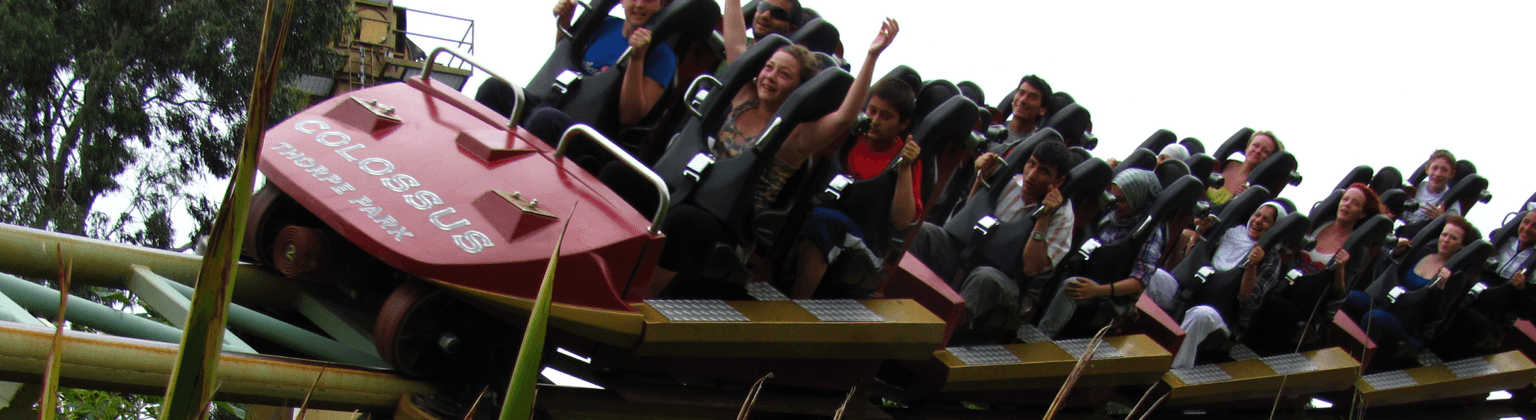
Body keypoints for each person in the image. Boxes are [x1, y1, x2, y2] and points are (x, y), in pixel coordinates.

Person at [650, 18, 900, 295]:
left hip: (729, 225)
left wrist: (872, 56)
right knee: (626, 177)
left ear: (799, 90)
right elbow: (734, 44)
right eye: (768, 67)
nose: (770, 76)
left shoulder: (794, 138)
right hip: (689, 192)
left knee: (681, 220)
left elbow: (844, 118)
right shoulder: (742, 99)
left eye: (784, 74)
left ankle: (639, 297)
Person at [790, 77, 923, 298]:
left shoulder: (906, 161)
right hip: (825, 216)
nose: (874, 120)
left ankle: (795, 306)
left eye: (886, 116)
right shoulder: (848, 135)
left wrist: (905, 169)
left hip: (867, 241)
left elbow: (902, 221)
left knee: (824, 221)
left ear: (903, 124)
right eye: (872, 110)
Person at [1037, 168, 1163, 338]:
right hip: (1088, 272)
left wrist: (1099, 290)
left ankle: (1040, 338)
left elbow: (1140, 281)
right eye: (1114, 198)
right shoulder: (1109, 216)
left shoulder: (1149, 233)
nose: (1116, 205)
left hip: (1109, 294)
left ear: (1137, 200)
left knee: (1073, 286)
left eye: (1122, 200)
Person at [1171, 202, 1286, 368]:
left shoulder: (1271, 258)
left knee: (1200, 315)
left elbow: (1248, 300)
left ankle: (1171, 369)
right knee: (1157, 279)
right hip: (1192, 292)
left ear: (1274, 228)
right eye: (1257, 214)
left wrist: (1252, 265)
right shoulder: (1233, 233)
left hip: (1223, 315)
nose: (1258, 221)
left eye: (1266, 220)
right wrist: (1201, 234)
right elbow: (1190, 259)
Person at [1343, 215, 1478, 355]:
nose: (1446, 240)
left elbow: (1436, 316)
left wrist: (1441, 289)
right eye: (1444, 235)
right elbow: (1387, 274)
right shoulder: (1424, 251)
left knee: (1374, 317)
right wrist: (1395, 253)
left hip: (1409, 324)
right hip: (1387, 304)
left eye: (1453, 238)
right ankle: (1335, 342)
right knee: (1350, 297)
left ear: (1462, 245)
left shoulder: (1456, 277)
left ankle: (1358, 361)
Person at [552, 0, 677, 125]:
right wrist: (564, 23)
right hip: (564, 103)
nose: (639, 4)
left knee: (544, 118)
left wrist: (637, 59)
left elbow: (629, 116)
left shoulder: (664, 57)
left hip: (592, 126)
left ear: (662, 5)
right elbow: (561, 67)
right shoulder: (606, 24)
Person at [1206, 131, 1283, 206]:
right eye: (1256, 145)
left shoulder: (1258, 187)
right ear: (1247, 147)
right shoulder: (1226, 164)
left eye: (1265, 151)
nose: (1258, 151)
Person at [722, 0, 804, 67]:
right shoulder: (722, 43)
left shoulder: (772, 69)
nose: (765, 15)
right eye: (763, 7)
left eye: (778, 13)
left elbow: (736, 49)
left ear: (791, 29)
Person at [1404, 149, 1463, 225]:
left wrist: (1442, 219)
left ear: (1451, 174)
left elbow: (1455, 228)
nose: (1438, 174)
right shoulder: (1415, 188)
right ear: (1427, 169)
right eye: (1435, 168)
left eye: (1444, 170)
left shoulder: (1452, 202)